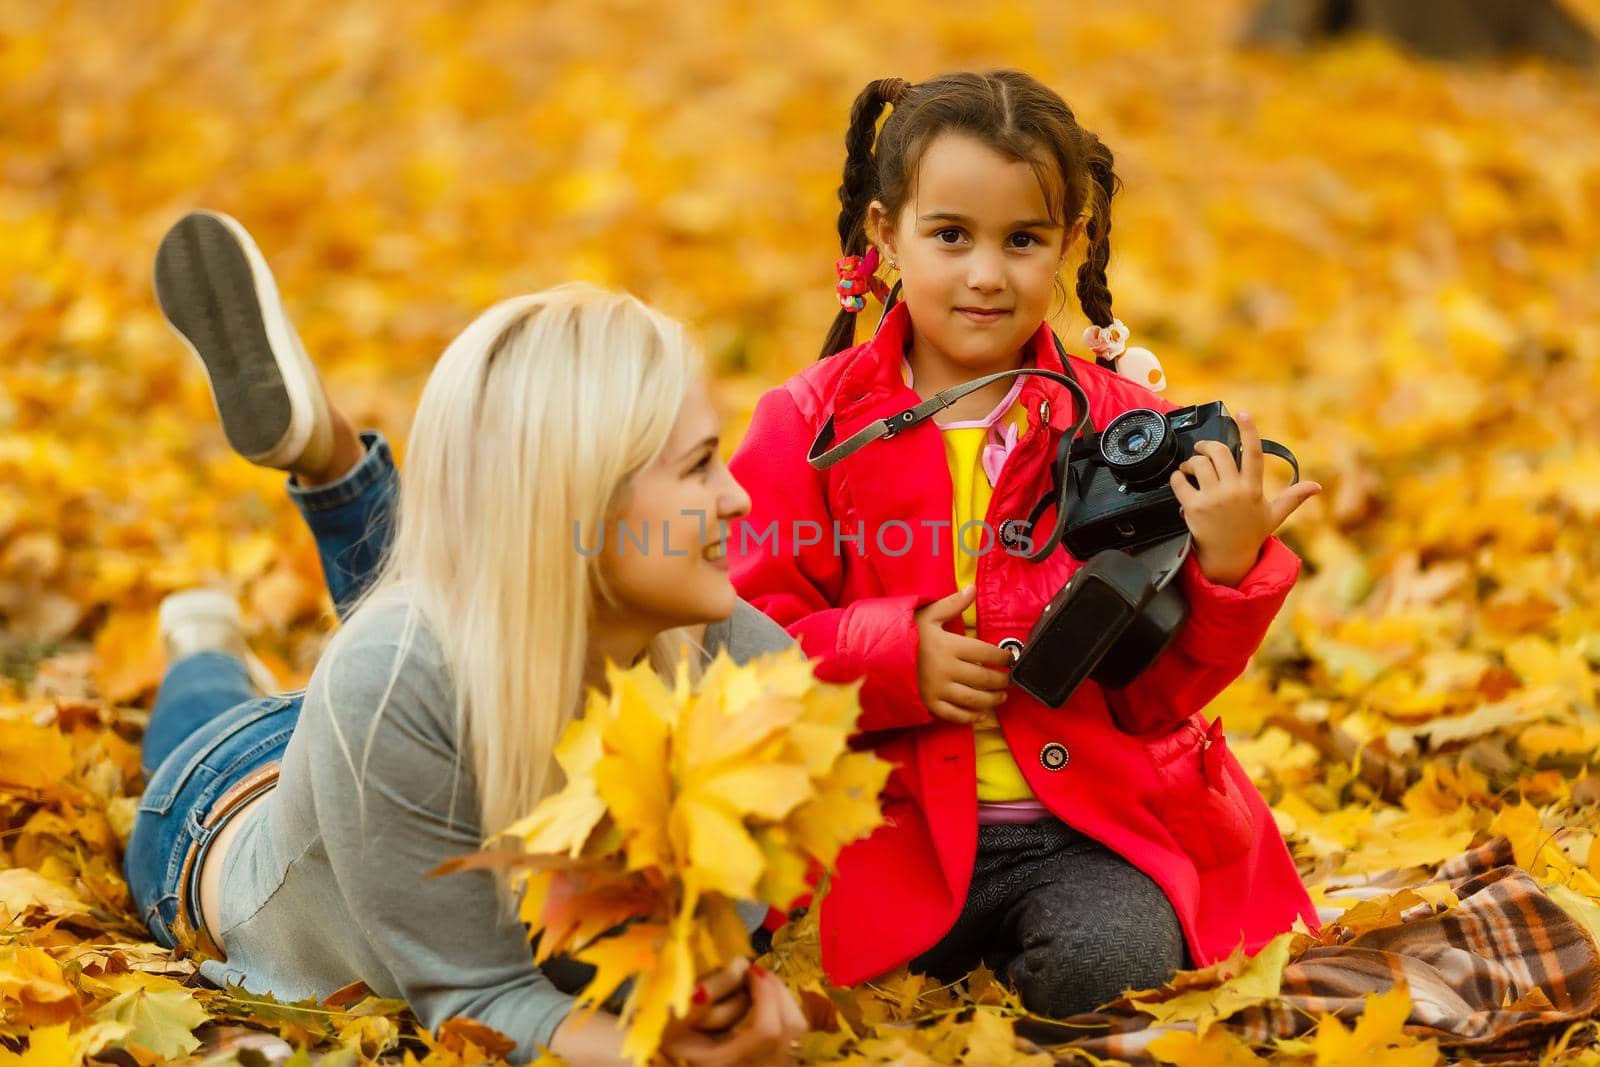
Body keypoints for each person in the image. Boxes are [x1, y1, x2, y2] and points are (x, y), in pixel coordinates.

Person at [125, 211, 807, 1066]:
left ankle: (336, 466)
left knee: (462, 610)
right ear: (585, 493)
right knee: (235, 693)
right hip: (223, 805)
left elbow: (664, 968)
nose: (739, 497)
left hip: (411, 713)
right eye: (701, 463)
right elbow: (477, 1000)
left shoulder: (748, 666)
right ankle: (203, 642)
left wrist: (726, 1006)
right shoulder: (394, 680)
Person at [727, 71, 1324, 1016]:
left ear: (1069, 245)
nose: (986, 274)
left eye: (1023, 240)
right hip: (873, 830)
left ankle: (1014, 994)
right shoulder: (806, 424)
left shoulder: (1124, 425)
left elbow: (1158, 696)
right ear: (884, 235)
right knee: (797, 975)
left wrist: (1225, 569)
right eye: (950, 234)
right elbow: (748, 639)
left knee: (1113, 962)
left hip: (1085, 833)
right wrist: (892, 658)